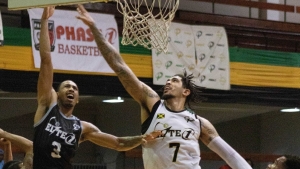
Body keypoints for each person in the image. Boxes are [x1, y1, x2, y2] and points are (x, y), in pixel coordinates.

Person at [75, 4, 252, 169]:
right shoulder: (152, 104)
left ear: (186, 91)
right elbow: (120, 67)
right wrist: (93, 28)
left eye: (174, 80)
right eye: (168, 80)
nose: (168, 82)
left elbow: (229, 154)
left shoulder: (199, 123)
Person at [33, 6, 161, 169]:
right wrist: (44, 21)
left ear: (78, 99)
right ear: (57, 94)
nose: (71, 89)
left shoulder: (82, 128)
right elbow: (45, 59)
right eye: (66, 86)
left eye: (75, 88)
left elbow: (118, 143)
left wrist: (142, 138)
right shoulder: (46, 106)